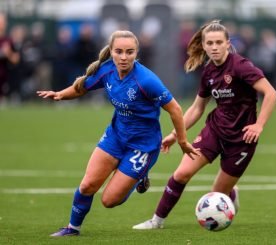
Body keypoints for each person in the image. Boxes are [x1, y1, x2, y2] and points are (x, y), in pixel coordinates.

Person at [36, 30, 198, 236]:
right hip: (115, 136)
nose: (123, 57)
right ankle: (72, 228)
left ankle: (139, 176)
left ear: (136, 52)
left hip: (143, 145)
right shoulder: (107, 71)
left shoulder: (146, 80)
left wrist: (182, 141)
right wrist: (60, 94)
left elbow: (175, 109)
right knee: (87, 185)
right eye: (119, 51)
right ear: (111, 51)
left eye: (129, 52)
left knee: (109, 201)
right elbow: (81, 88)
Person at [132, 19, 276, 230]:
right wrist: (175, 134)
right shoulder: (209, 72)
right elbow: (197, 108)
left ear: (228, 43)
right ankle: (157, 221)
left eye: (219, 42)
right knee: (181, 173)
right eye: (210, 43)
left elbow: (271, 93)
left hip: (242, 140)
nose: (214, 47)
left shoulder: (240, 66)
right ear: (204, 45)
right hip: (215, 130)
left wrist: (259, 125)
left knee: (217, 196)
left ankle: (231, 192)